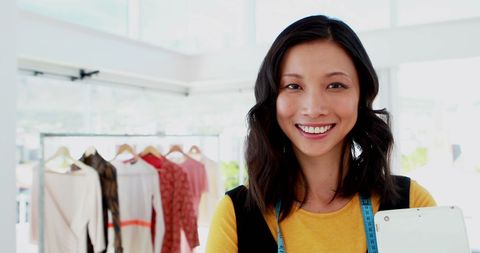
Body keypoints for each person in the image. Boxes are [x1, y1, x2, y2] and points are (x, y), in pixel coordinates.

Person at [206, 15, 436, 253]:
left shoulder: (411, 205)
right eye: (293, 86)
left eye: (336, 85)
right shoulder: (235, 215)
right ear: (272, 99)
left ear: (362, 97)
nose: (314, 109)